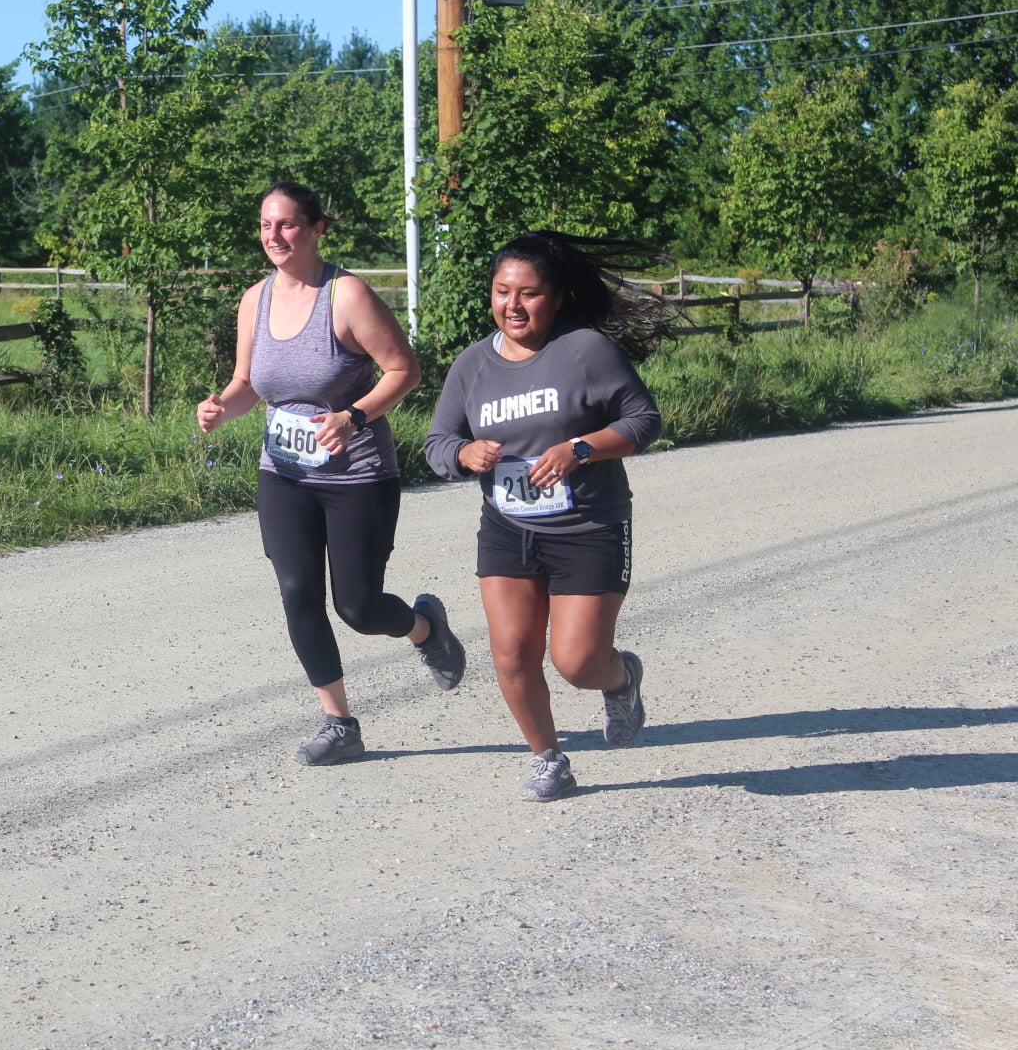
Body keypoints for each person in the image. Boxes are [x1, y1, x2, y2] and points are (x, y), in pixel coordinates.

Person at [198, 181, 465, 766]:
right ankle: (339, 722)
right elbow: (248, 386)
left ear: (317, 229)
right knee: (297, 593)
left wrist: (353, 415)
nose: (274, 236)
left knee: (359, 608)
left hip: (358, 478)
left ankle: (426, 629)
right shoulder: (254, 300)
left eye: (288, 225)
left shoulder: (346, 296)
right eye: (266, 225)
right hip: (285, 473)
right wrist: (222, 406)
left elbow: (404, 370)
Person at [423, 230, 674, 801]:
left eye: (529, 293)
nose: (513, 305)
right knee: (510, 652)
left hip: (589, 524)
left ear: (556, 297)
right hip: (508, 527)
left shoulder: (586, 350)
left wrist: (580, 449)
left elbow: (643, 420)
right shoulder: (472, 367)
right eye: (501, 291)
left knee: (578, 663)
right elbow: (438, 441)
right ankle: (549, 758)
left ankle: (621, 678)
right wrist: (463, 454)